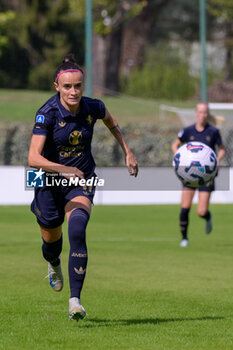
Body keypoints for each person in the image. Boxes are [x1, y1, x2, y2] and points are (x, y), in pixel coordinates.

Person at [28, 53, 138, 321]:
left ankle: (75, 301)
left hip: (83, 179)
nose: (73, 91)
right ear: (57, 87)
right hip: (48, 182)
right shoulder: (47, 113)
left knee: (77, 228)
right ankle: (54, 265)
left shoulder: (94, 107)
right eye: (67, 87)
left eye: (77, 86)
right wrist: (65, 170)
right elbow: (33, 159)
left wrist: (128, 151)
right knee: (51, 242)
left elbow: (111, 122)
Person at [171, 102, 226, 247]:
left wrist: (217, 160)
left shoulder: (213, 132)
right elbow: (174, 145)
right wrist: (179, 159)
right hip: (188, 174)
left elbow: (222, 149)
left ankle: (208, 218)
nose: (203, 115)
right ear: (196, 113)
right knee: (185, 207)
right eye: (200, 112)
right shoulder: (188, 131)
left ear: (208, 114)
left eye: (205, 112)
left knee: (201, 211)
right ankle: (184, 238)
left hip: (206, 175)